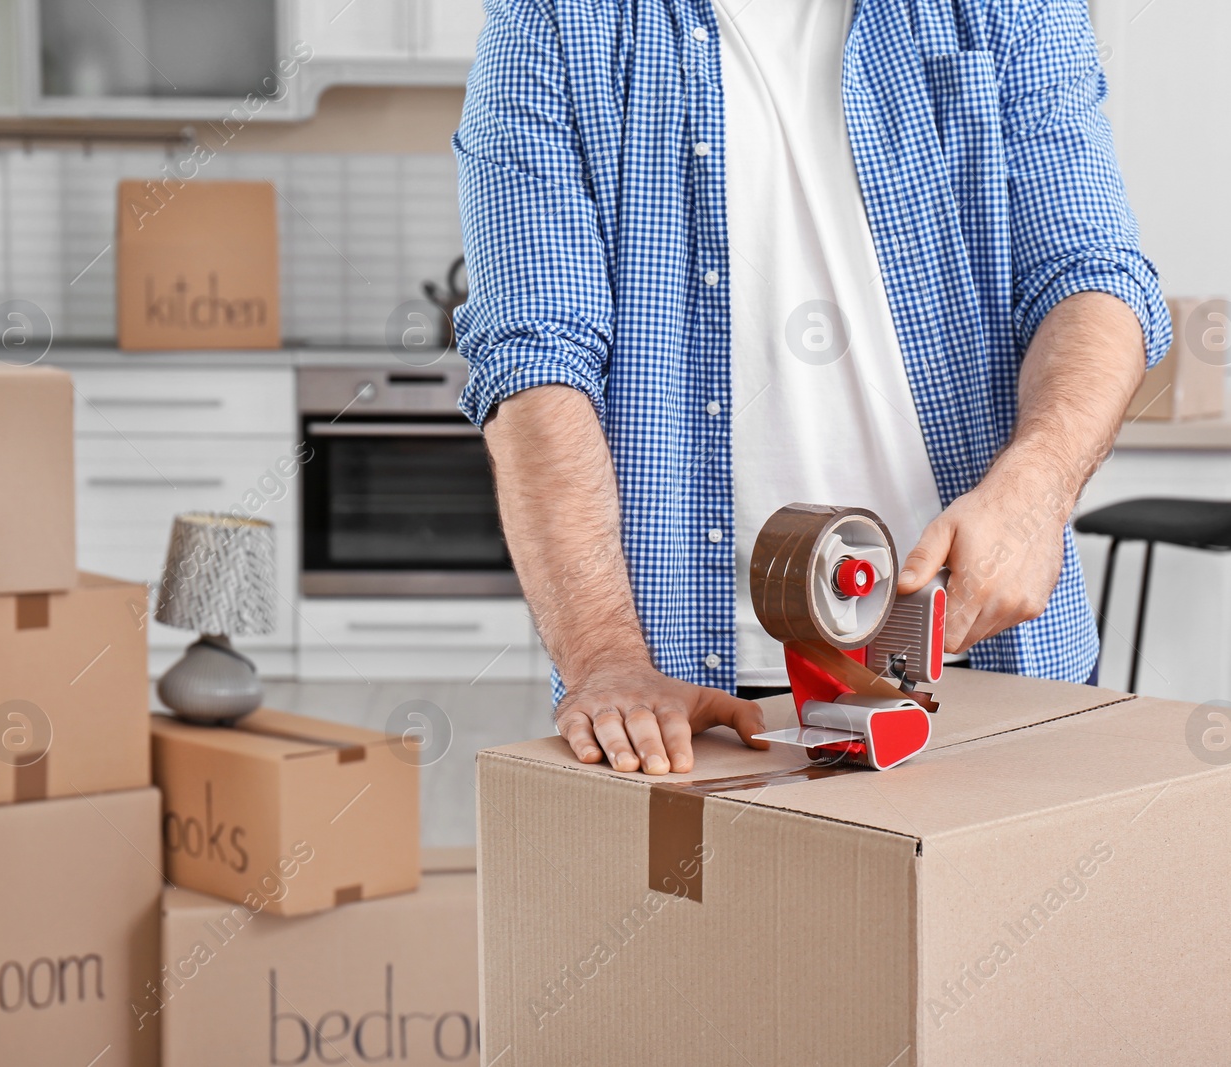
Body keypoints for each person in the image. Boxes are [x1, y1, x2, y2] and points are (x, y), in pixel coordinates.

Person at [451, 0, 1171, 775]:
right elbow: (535, 360)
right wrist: (601, 653)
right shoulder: (557, 21)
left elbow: (1091, 278)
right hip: (696, 698)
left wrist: (1037, 491)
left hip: (994, 659)